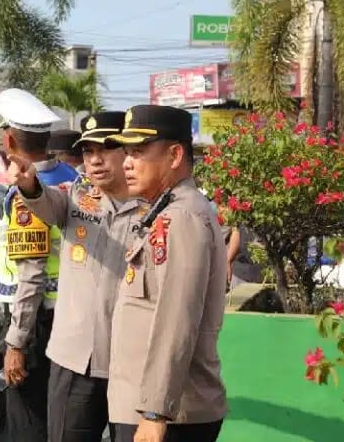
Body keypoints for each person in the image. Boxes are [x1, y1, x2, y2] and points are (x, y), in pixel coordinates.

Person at [9, 111, 142, 442]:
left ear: (128, 151)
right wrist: (28, 182)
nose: (95, 160)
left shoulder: (152, 206)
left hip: (130, 364)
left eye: (106, 149)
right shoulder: (76, 195)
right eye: (87, 151)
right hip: (75, 360)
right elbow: (45, 202)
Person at [104, 105, 227, 442]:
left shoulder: (182, 219)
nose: (126, 162)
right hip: (149, 407)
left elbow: (177, 317)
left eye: (139, 152)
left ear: (174, 155)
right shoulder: (166, 212)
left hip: (168, 416)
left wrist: (156, 411)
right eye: (127, 152)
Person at [0, 88, 78, 442]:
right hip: (68, 319)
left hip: (36, 323)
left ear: (9, 139)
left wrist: (16, 344)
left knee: (28, 425)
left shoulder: (28, 193)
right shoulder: (73, 179)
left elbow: (31, 272)